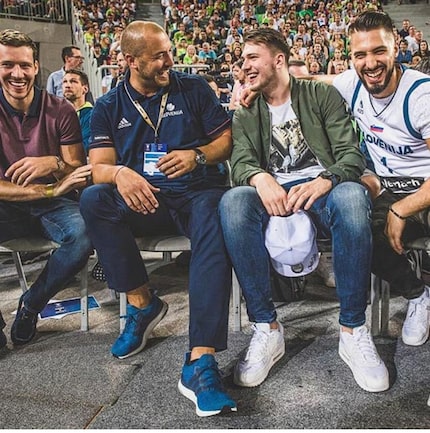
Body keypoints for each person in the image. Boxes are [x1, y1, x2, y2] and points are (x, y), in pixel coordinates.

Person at [79, 21, 236, 417]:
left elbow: (225, 141)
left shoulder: (193, 89)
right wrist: (119, 173)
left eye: (169, 51)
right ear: (130, 61)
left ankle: (200, 361)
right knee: (95, 198)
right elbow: (98, 166)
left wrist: (197, 154)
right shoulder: (108, 106)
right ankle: (142, 304)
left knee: (216, 215)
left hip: (195, 193)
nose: (170, 60)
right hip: (143, 199)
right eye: (159, 56)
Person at [220, 27, 389, 393]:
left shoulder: (320, 95)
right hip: (274, 191)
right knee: (233, 202)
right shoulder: (246, 110)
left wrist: (325, 180)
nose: (243, 65)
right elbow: (241, 161)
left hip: (321, 190)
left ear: (278, 59)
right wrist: (259, 178)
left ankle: (353, 330)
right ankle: (266, 328)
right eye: (242, 59)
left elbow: (350, 154)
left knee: (350, 196)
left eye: (252, 57)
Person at [325, 11, 430, 348]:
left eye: (378, 51)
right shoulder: (351, 84)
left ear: (396, 47)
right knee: (354, 233)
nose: (370, 63)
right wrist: (259, 87)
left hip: (425, 187)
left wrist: (403, 209)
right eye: (360, 54)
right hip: (391, 187)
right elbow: (311, 82)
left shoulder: (421, 97)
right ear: (351, 58)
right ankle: (417, 294)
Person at [0, 29, 92, 345]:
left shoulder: (60, 109)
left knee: (84, 234)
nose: (17, 73)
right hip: (14, 202)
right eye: (7, 64)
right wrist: (51, 188)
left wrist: (52, 163)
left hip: (55, 204)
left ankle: (31, 305)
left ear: (37, 67)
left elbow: (77, 169)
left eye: (25, 65)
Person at [62, 69, 93, 154]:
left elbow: (85, 146)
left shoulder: (92, 114)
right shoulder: (58, 116)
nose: (67, 85)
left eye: (73, 81)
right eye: (65, 82)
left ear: (85, 89)